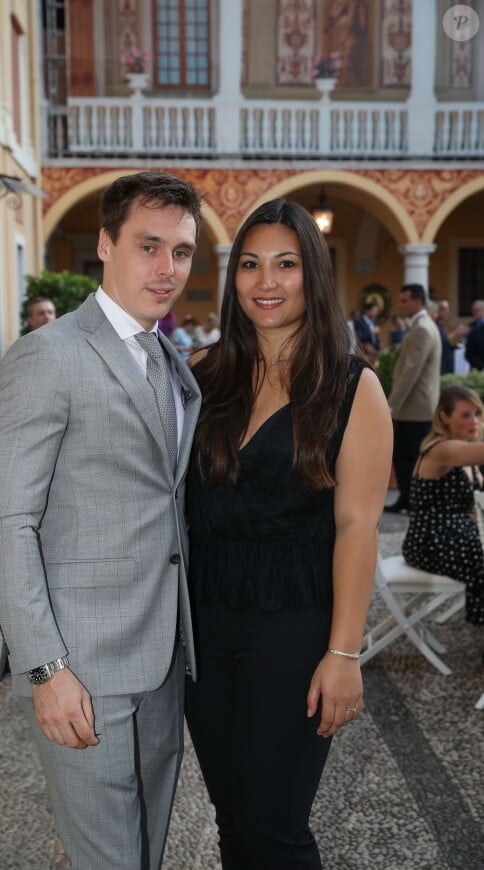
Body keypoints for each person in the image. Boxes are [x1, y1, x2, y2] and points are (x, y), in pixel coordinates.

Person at [0, 171, 202, 869]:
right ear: (105, 245)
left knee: (144, 853)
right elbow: (7, 522)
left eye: (183, 252)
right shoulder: (49, 356)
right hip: (82, 670)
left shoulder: (170, 358)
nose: (167, 270)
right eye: (149, 246)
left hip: (163, 660)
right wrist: (45, 668)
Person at [185, 199, 392, 868]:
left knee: (275, 825)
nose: (265, 282)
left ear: (315, 276)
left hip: (296, 627)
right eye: (249, 265)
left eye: (285, 264)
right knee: (234, 820)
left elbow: (359, 524)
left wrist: (345, 654)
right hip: (204, 624)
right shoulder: (201, 377)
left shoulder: (352, 386)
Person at [402, 385, 484, 626]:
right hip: (430, 541)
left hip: (456, 535)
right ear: (444, 417)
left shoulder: (464, 452)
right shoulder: (442, 449)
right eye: (465, 415)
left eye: (477, 413)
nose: (474, 421)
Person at [385, 284, 441, 513]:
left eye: (404, 300)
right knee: (404, 456)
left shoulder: (422, 329)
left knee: (409, 457)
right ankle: (407, 499)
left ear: (418, 301)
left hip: (415, 408)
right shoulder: (419, 326)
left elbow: (410, 372)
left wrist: (391, 405)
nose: (399, 305)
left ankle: (414, 501)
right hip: (414, 407)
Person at [464, 299, 484, 370]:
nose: (474, 313)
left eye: (477, 310)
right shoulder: (471, 328)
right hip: (478, 369)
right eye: (473, 310)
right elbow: (468, 354)